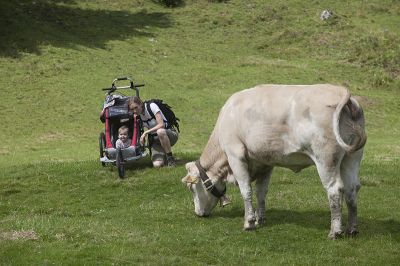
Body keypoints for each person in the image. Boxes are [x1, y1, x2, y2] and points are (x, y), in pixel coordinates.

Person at [128, 96, 178, 168]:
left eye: (136, 107)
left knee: (160, 131)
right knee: (157, 165)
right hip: (155, 141)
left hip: (169, 134)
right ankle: (164, 156)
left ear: (141, 104)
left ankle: (170, 159)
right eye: (132, 109)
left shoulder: (151, 106)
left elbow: (161, 124)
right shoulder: (138, 116)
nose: (135, 111)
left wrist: (146, 132)